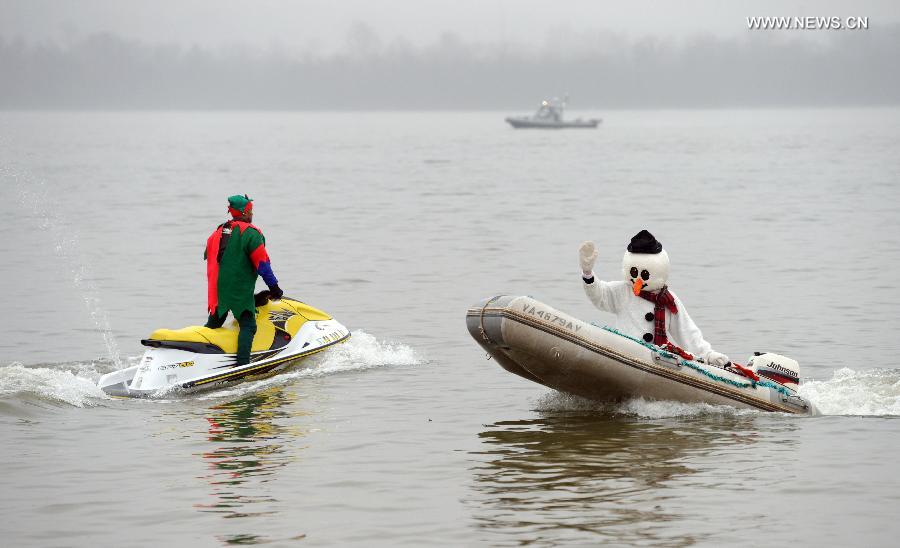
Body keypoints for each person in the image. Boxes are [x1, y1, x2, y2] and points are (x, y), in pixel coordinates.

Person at [579, 229, 730, 366]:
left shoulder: (668, 301)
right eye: (633, 273)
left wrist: (707, 354)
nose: (638, 279)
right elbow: (601, 295)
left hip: (654, 362)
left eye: (644, 274)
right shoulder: (624, 291)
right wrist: (588, 273)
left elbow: (686, 331)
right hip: (623, 356)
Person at [204, 194, 283, 365]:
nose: (252, 215)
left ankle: (197, 355)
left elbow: (211, 259)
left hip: (216, 289)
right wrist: (274, 287)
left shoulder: (216, 233)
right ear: (245, 212)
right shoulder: (251, 234)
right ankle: (242, 366)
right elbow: (262, 264)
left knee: (214, 323)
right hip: (238, 290)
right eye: (250, 211)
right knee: (248, 324)